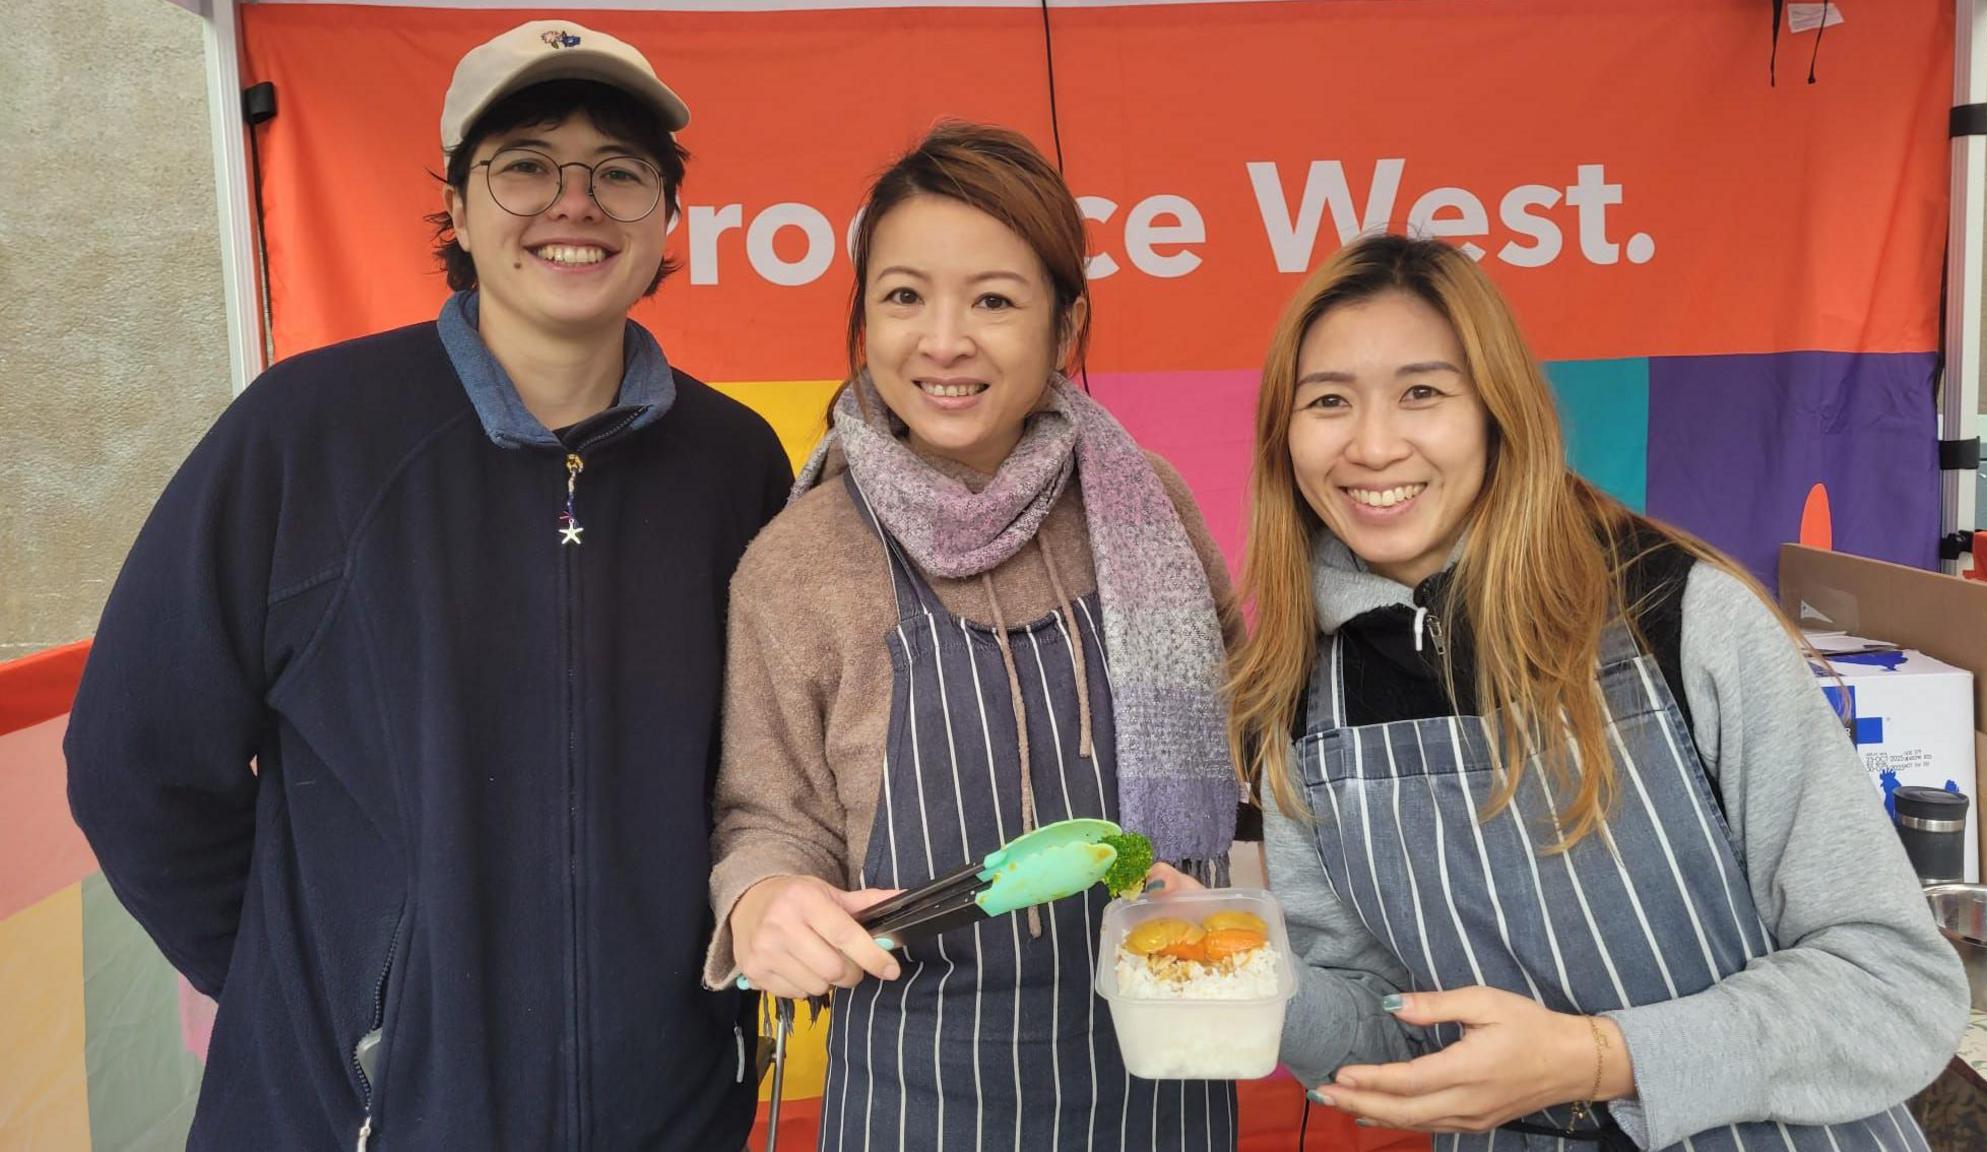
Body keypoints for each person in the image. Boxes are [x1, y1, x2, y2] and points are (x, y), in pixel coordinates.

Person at [65, 21, 788, 1150]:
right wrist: (314, 996)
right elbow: (135, 763)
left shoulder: (736, 462)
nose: (574, 201)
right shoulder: (306, 433)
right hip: (360, 1116)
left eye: (619, 173)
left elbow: (764, 771)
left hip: (672, 1110)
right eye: (526, 165)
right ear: (456, 207)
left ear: (667, 222)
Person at [1224, 233, 1968, 1149]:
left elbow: (1894, 986)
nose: (1373, 446)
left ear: (1500, 414)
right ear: (1284, 436)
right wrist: (1234, 968)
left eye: (1423, 392)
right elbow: (1389, 1031)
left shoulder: (1678, 615)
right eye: (1329, 402)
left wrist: (1599, 1057)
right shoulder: (1296, 699)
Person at [705, 122, 1244, 1149]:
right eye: (902, 296)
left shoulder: (1144, 508)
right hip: (917, 1095)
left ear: (1066, 324)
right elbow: (765, 817)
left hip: (1164, 1076)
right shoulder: (799, 559)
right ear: (862, 316)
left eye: (993, 300)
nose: (941, 341)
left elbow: (1248, 734)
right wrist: (763, 900)